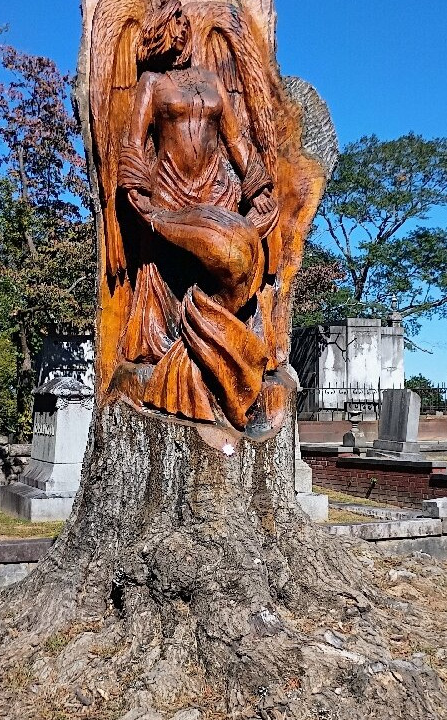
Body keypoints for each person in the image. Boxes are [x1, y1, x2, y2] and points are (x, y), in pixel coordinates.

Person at [114, 0, 278, 428]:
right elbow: (132, 141)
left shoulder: (212, 82)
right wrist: (137, 191)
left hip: (217, 189)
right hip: (168, 189)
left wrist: (258, 186)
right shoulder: (151, 83)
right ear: (162, 33)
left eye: (185, 25)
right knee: (171, 276)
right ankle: (182, 358)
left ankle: (232, 359)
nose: (182, 33)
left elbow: (237, 139)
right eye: (175, 26)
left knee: (228, 266)